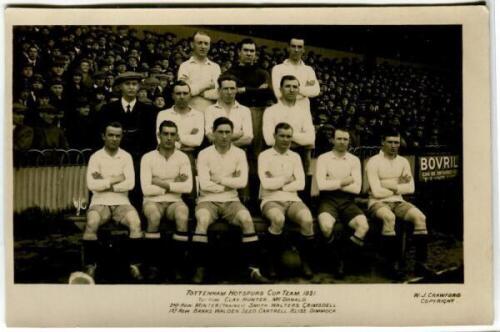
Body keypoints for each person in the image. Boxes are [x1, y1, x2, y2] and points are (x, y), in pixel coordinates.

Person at [191, 117, 268, 284]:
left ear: (232, 134)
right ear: (213, 133)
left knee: (247, 220)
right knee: (202, 220)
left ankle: (253, 269)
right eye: (220, 132)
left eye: (227, 132)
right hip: (207, 200)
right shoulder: (204, 154)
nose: (224, 136)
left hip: (232, 200)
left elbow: (242, 182)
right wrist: (228, 182)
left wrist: (219, 180)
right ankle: (200, 268)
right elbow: (204, 184)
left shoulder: (240, 154)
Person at [365, 128, 431, 280]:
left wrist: (388, 184)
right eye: (390, 142)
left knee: (420, 218)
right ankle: (391, 266)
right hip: (377, 203)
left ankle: (421, 265)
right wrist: (398, 185)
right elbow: (376, 192)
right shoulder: (373, 162)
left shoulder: (403, 162)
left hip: (399, 201)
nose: (394, 145)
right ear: (382, 142)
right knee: (389, 218)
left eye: (396, 142)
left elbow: (411, 188)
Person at [82, 121, 143, 282]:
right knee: (92, 223)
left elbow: (130, 184)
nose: (114, 139)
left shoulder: (126, 156)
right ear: (104, 136)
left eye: (118, 136)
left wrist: (105, 183)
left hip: (122, 202)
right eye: (111, 135)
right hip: (99, 202)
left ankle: (134, 265)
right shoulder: (96, 157)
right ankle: (90, 266)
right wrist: (116, 179)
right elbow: (92, 185)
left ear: (121, 137)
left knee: (135, 223)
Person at [258, 122, 315, 279]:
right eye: (282, 135)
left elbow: (301, 184)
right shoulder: (265, 156)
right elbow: (267, 184)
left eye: (289, 136)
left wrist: (277, 182)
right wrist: (287, 179)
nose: (285, 139)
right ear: (274, 136)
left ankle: (305, 262)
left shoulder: (295, 157)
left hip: (292, 199)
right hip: (270, 199)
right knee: (278, 219)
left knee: (308, 220)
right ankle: (271, 262)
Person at [140, 120, 193, 282]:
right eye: (165, 134)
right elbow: (146, 189)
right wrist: (173, 183)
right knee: (154, 216)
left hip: (175, 201)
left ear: (177, 136)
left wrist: (160, 182)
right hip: (152, 200)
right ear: (159, 135)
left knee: (182, 216)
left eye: (172, 134)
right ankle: (153, 266)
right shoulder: (148, 157)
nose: (169, 138)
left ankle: (177, 266)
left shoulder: (183, 157)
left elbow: (188, 187)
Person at [315, 127, 369, 277]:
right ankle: (336, 261)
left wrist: (333, 182)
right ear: (332, 139)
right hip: (327, 200)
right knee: (326, 227)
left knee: (363, 226)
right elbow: (321, 185)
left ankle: (344, 257)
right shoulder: (323, 158)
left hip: (348, 202)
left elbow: (357, 188)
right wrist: (345, 181)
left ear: (349, 141)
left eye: (345, 139)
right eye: (339, 138)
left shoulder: (354, 160)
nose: (342, 142)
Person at [263, 75, 315, 174]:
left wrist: (282, 136)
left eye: (295, 87)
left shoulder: (304, 112)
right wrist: (298, 139)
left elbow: (310, 138)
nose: (291, 90)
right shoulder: (270, 111)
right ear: (280, 89)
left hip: (299, 156)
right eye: (287, 86)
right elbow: (269, 140)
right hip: (275, 156)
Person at [271, 37, 320, 113]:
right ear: (288, 48)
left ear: (303, 50)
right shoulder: (278, 69)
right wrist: (305, 92)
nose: (296, 50)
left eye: (299, 47)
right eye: (293, 46)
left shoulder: (309, 70)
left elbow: (316, 91)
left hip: (303, 113)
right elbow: (278, 93)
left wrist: (290, 89)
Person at [205, 74, 253, 149]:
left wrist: (224, 143)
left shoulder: (245, 110)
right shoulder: (210, 110)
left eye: (232, 88)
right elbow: (210, 136)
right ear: (219, 90)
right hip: (215, 153)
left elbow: (248, 138)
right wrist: (237, 135)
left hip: (238, 153)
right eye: (226, 88)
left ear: (236, 90)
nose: (229, 92)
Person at [177, 31, 221, 113]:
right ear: (192, 44)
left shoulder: (215, 67)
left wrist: (195, 91)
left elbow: (218, 94)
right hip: (190, 114)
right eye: (199, 43)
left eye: (206, 44)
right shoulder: (185, 66)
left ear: (209, 46)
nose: (203, 46)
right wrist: (207, 85)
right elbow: (184, 92)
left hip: (211, 115)